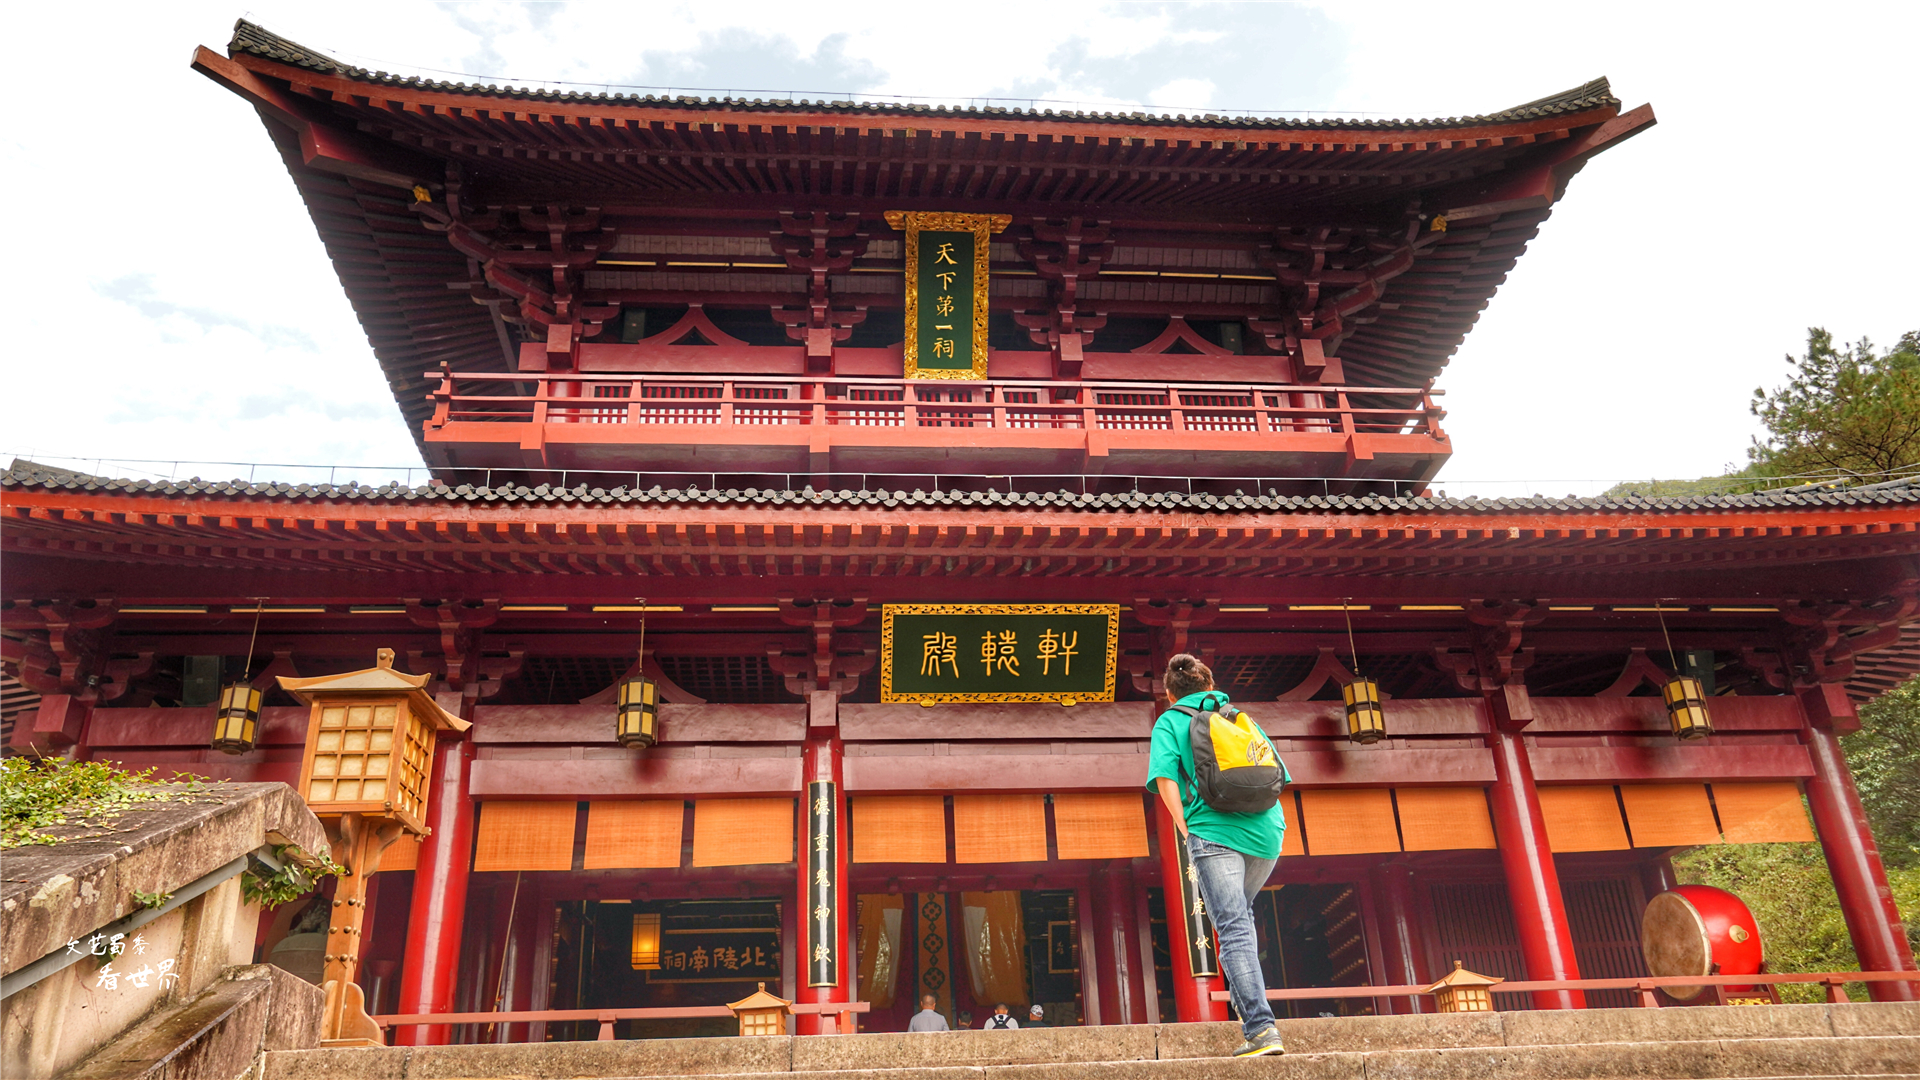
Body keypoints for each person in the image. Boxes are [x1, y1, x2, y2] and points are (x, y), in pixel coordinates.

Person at [1146, 653, 1287, 1058]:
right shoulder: (1240, 717)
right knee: (1241, 917)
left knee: (1233, 928)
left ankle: (1261, 1030)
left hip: (1215, 833)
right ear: (1210, 685)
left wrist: (1185, 826)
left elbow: (1165, 778)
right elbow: (1279, 776)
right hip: (1267, 834)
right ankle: (1259, 1026)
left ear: (1170, 693)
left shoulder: (1171, 720)